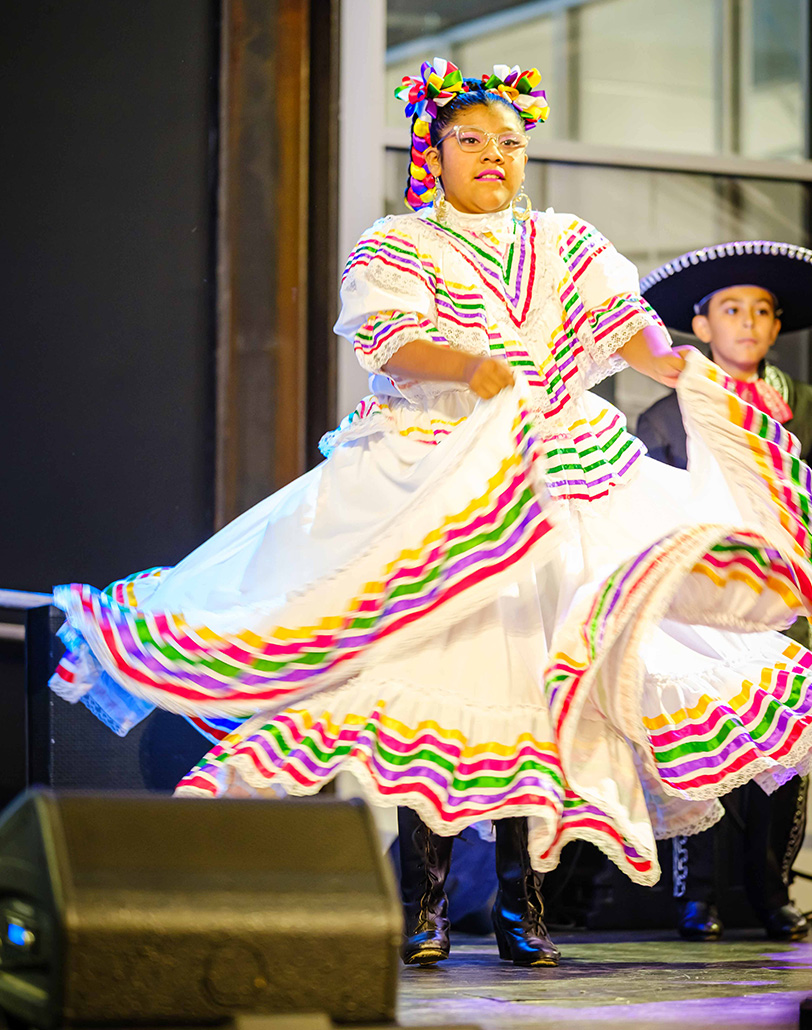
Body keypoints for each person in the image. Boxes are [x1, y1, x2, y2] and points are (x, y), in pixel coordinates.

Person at [49, 60, 812, 972]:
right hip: (434, 471)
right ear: (435, 151)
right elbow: (390, 338)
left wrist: (690, 372)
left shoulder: (567, 241)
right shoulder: (397, 244)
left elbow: (628, 330)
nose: (495, 155)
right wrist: (472, 368)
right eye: (472, 140)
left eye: (509, 142)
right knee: (434, 676)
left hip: (557, 475)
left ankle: (525, 910)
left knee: (547, 686)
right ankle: (425, 903)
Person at [637, 244, 812, 942]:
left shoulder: (799, 410)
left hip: (783, 602)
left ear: (775, 329)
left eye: (761, 311)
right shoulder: (665, 415)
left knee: (786, 751)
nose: (747, 322)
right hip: (700, 605)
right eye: (730, 309)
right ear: (701, 326)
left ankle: (770, 891)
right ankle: (697, 896)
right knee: (704, 749)